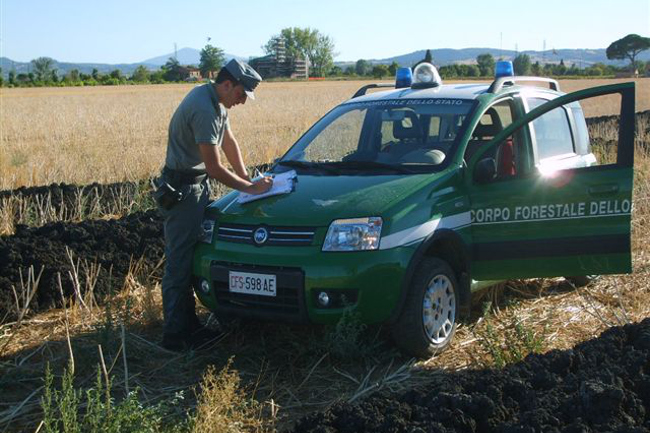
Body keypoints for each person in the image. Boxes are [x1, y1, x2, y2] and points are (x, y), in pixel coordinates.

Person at [155, 59, 273, 352]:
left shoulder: (217, 103)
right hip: (183, 191)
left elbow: (229, 142)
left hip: (195, 187)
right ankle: (175, 335)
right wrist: (250, 188)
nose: (242, 101)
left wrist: (246, 175)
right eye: (241, 94)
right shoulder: (204, 107)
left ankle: (188, 325)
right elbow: (215, 166)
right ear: (227, 84)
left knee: (190, 259)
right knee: (179, 263)